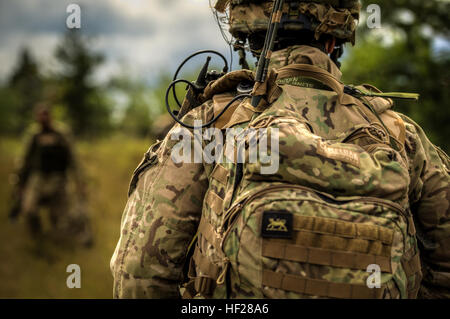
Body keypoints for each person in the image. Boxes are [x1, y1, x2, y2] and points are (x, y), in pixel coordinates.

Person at [111, 0, 449, 299]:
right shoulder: (399, 134)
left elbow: (140, 274)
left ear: (247, 37)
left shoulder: (208, 126)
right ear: (335, 39)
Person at [11, 103, 93, 247]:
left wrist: (80, 181)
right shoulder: (34, 135)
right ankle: (37, 238)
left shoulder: (62, 133)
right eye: (40, 115)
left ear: (50, 116)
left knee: (60, 216)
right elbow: (25, 159)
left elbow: (73, 159)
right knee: (29, 209)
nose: (43, 118)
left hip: (58, 179)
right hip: (38, 179)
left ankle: (57, 243)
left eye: (45, 114)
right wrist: (20, 182)